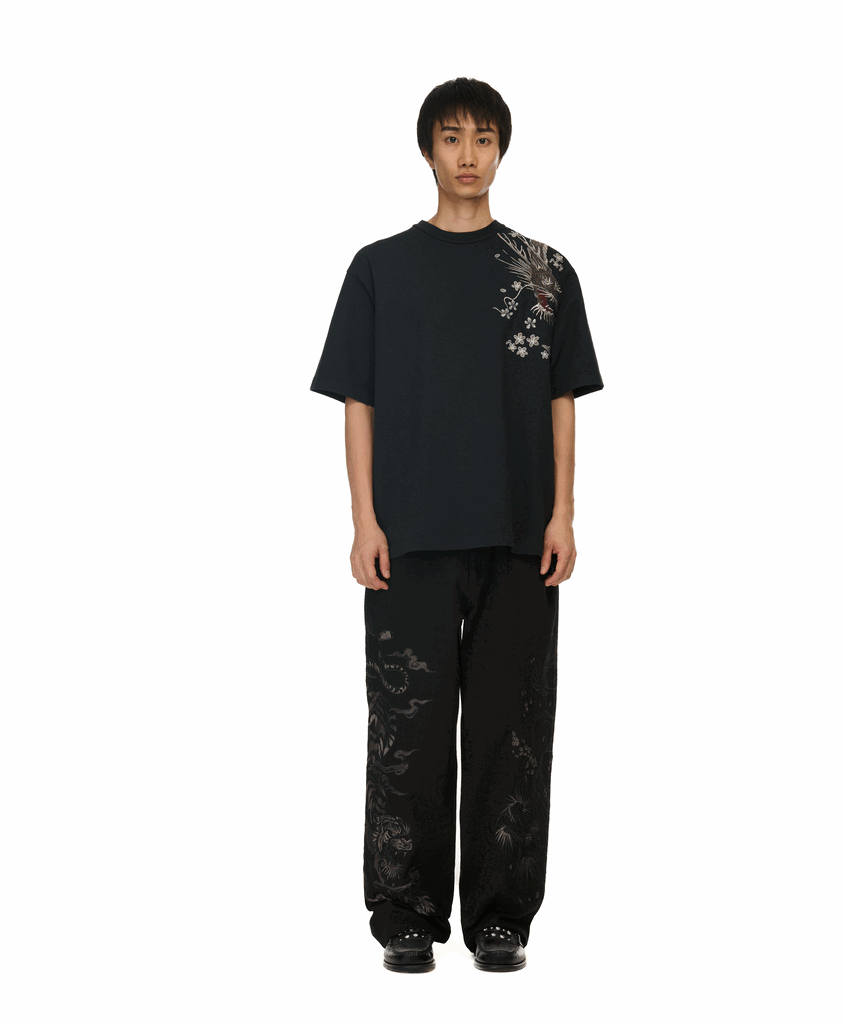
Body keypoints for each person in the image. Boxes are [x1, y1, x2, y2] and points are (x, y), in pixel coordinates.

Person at [309, 77, 604, 973]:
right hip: (409, 540)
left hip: (520, 537)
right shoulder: (379, 269)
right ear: (427, 149)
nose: (468, 154)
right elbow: (358, 402)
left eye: (483, 137)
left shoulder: (545, 270)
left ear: (501, 150)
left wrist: (562, 513)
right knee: (408, 734)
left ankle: (501, 918)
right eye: (451, 137)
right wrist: (363, 520)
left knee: (514, 732)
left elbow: (562, 399)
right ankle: (405, 913)